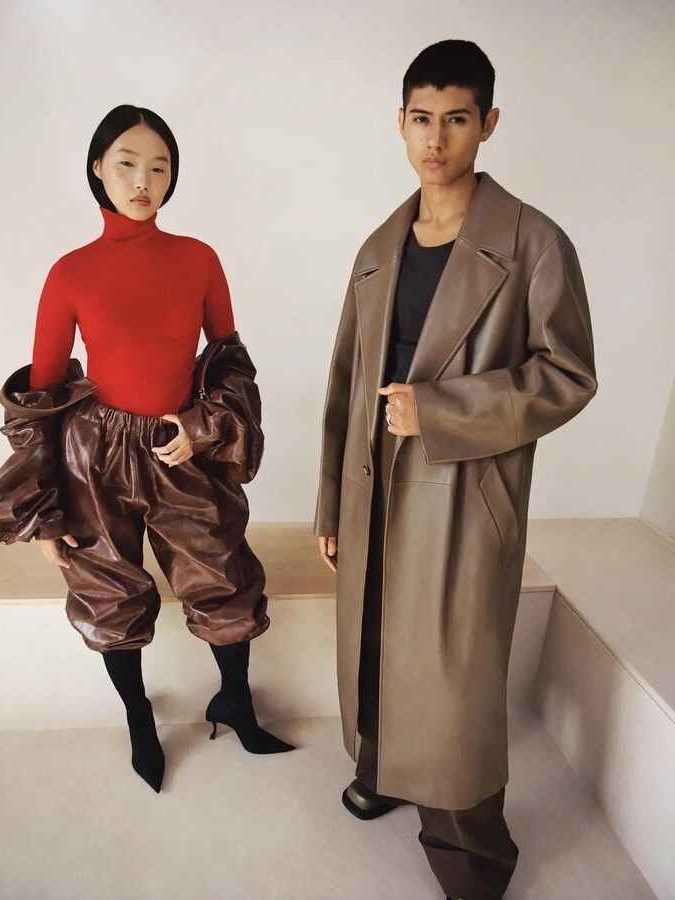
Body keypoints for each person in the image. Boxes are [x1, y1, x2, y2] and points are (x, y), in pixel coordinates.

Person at [315, 40, 597, 900]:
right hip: (373, 486)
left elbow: (568, 375)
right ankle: (383, 769)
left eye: (457, 119)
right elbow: (345, 385)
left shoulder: (534, 242)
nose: (436, 139)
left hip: (466, 496)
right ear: (400, 124)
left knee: (454, 678)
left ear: (489, 124)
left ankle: (473, 856)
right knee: (374, 642)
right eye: (421, 119)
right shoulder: (379, 246)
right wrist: (330, 504)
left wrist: (439, 411)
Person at [0, 104, 294, 794]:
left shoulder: (198, 258)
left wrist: (202, 427)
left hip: (179, 446)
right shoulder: (70, 272)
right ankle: (138, 720)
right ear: (98, 168)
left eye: (159, 166)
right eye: (126, 164)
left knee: (223, 573)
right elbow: (38, 398)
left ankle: (236, 703)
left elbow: (231, 365)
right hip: (93, 456)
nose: (143, 180)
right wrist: (43, 515)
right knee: (108, 591)